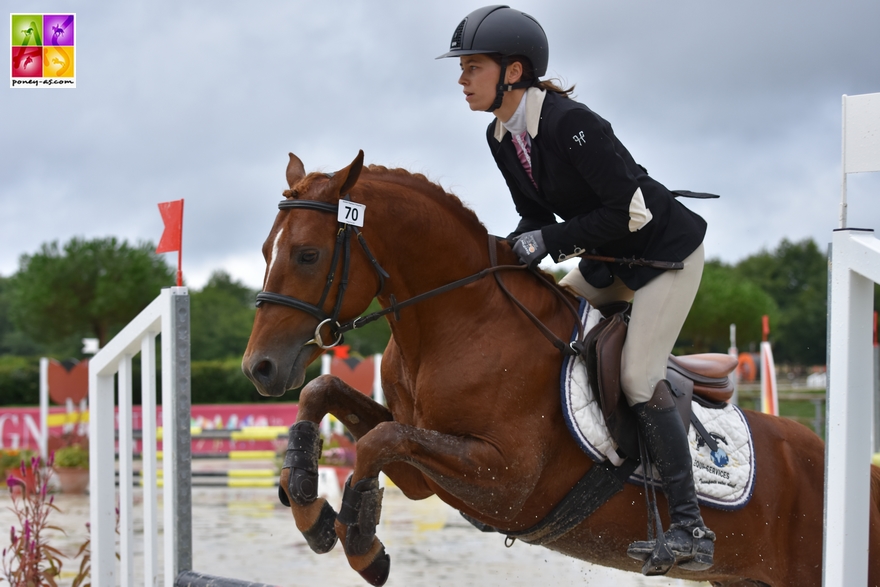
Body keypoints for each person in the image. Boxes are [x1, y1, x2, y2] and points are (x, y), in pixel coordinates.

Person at [437, 5, 716, 576]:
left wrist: (549, 239)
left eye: (472, 67)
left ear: (512, 72)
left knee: (639, 376)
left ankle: (691, 526)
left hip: (664, 256)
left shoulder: (570, 123)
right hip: (608, 258)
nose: (461, 79)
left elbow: (631, 212)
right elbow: (534, 215)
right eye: (461, 68)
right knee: (544, 332)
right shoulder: (501, 134)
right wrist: (497, 255)